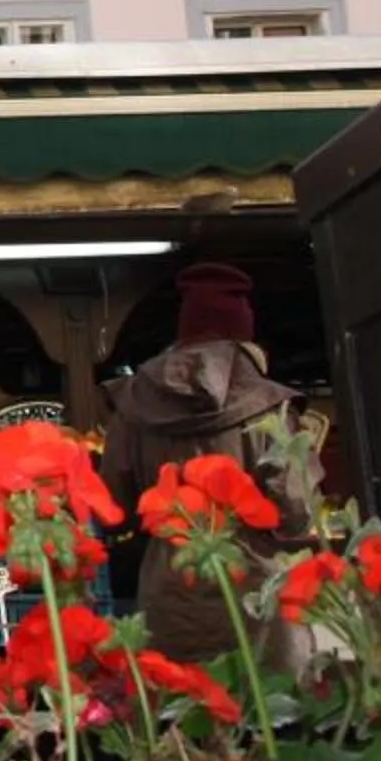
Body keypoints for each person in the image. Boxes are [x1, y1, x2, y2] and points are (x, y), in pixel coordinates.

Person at [102, 262, 319, 666]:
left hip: (170, 590)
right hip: (256, 592)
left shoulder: (132, 409)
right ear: (243, 334)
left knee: (181, 699)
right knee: (267, 698)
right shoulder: (270, 407)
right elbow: (296, 511)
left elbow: (113, 507)